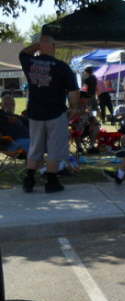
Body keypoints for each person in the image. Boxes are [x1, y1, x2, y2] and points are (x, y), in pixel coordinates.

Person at [19, 34, 79, 193]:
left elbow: (23, 53)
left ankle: (29, 180)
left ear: (40, 47)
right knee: (54, 148)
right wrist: (73, 108)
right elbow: (73, 92)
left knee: (34, 147)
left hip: (35, 114)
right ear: (53, 47)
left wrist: (37, 45)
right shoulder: (62, 66)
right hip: (56, 113)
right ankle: (51, 182)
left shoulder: (29, 63)